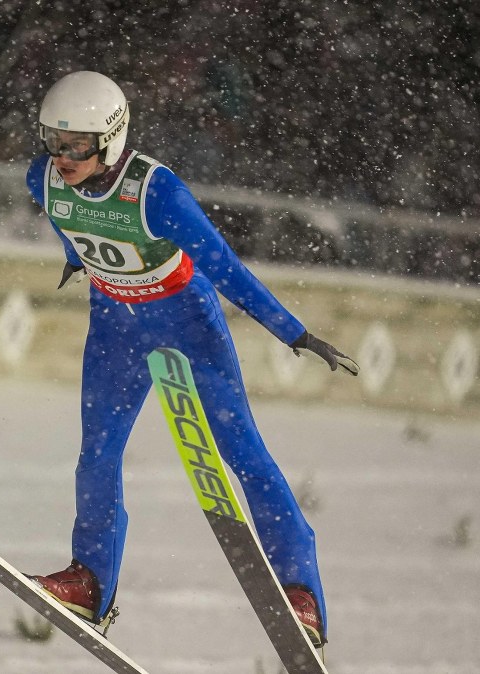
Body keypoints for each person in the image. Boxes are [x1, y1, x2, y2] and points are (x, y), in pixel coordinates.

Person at [23, 71, 358, 651]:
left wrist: (294, 333)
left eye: (76, 145)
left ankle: (300, 593)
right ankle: (90, 582)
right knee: (96, 454)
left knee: (242, 455)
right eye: (53, 140)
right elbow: (65, 221)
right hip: (114, 327)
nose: (62, 157)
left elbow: (225, 267)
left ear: (110, 139)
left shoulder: (159, 193)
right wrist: (75, 260)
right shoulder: (41, 178)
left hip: (186, 324)